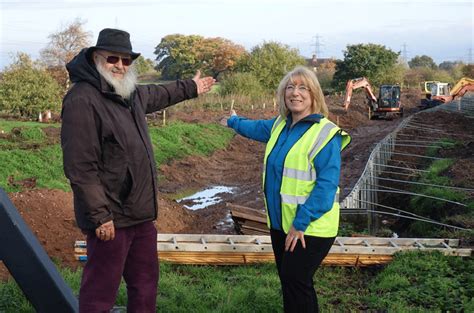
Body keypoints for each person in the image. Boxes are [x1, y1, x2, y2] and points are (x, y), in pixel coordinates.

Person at [61, 28, 215, 312]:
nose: (120, 65)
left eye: (126, 60)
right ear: (96, 58)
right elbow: (81, 167)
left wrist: (191, 87)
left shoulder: (128, 94)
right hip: (111, 218)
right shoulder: (82, 99)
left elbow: (160, 93)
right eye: (113, 59)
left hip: (141, 216)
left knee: (145, 286)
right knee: (100, 291)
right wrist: (100, 216)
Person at [224, 66, 351, 312]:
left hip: (310, 226)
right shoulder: (280, 126)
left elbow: (326, 189)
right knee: (293, 283)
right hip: (281, 224)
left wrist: (300, 223)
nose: (295, 93)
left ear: (314, 94)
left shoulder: (325, 135)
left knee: (296, 281)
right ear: (283, 94)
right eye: (290, 87)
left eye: (303, 87)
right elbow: (253, 128)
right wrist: (232, 121)